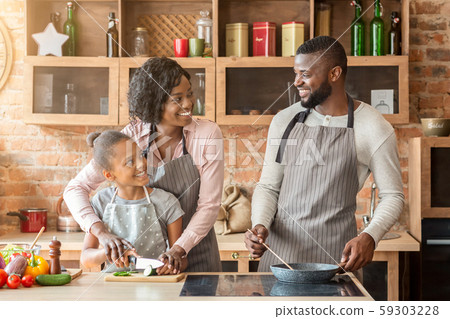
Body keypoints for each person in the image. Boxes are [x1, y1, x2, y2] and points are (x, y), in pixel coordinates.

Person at [245, 36, 404, 273]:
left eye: (306, 74)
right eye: (295, 73)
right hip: (280, 262)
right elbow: (268, 186)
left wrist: (370, 236)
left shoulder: (373, 127)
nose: (297, 82)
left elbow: (393, 196)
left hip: (336, 262)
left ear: (334, 73)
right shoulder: (284, 120)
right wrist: (259, 225)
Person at [64, 57, 223, 272]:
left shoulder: (207, 134)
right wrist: (101, 232)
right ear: (155, 103)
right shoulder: (133, 135)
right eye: (177, 98)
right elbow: (76, 188)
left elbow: (209, 206)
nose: (188, 104)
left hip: (197, 252)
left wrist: (178, 249)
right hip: (146, 262)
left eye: (189, 94)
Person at [80, 131, 187, 274]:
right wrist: (109, 252)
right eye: (130, 162)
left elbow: (183, 259)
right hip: (113, 287)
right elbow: (86, 259)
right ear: (109, 175)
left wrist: (172, 263)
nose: (142, 164)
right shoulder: (101, 201)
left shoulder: (167, 202)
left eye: (141, 155)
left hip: (156, 287)